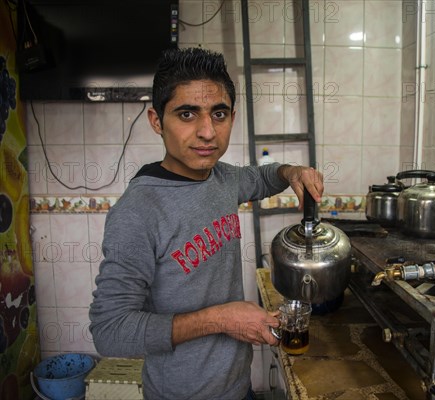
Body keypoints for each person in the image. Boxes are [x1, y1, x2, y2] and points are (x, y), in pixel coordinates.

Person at [89, 47, 324, 400]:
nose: (207, 132)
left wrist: (292, 172)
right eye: (187, 114)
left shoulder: (221, 178)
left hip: (237, 386)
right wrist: (222, 320)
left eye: (219, 114)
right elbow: (110, 330)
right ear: (156, 120)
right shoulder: (138, 211)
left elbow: (261, 178)